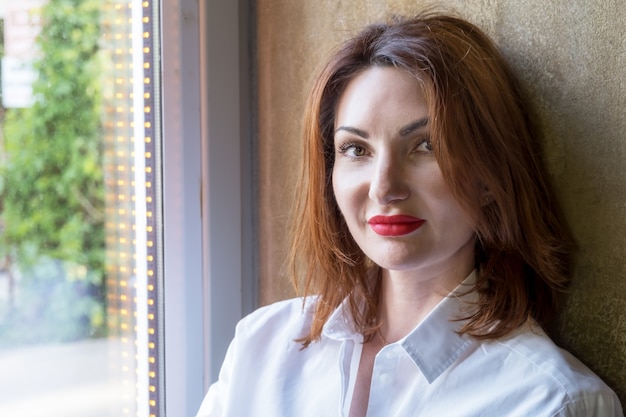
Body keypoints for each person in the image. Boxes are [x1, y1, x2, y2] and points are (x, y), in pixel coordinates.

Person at [196, 12, 623, 417]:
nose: (384, 187)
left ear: (491, 176)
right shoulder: (261, 347)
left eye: (425, 146)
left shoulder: (551, 401)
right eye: (356, 149)